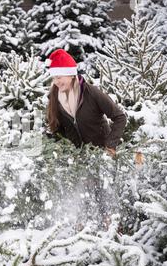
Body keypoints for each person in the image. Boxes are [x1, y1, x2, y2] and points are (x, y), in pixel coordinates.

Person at [45, 49, 127, 229]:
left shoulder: (91, 93)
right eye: (54, 77)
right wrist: (54, 146)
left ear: (71, 74)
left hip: (102, 153)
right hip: (79, 157)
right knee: (83, 195)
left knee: (105, 195)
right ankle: (83, 231)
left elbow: (120, 117)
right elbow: (57, 128)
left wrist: (110, 146)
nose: (57, 81)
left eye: (60, 77)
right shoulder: (55, 96)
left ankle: (114, 230)